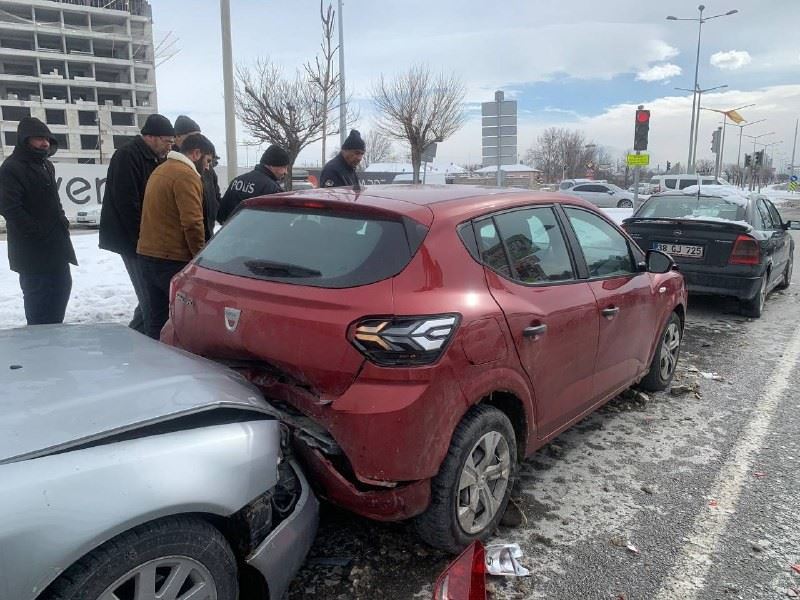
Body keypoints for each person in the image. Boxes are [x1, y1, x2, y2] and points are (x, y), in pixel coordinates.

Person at [99, 113, 174, 333]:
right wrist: (143, 242)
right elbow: (127, 204)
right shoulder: (127, 156)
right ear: (151, 137)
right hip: (133, 241)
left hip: (148, 240)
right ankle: (150, 347)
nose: (170, 147)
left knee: (149, 298)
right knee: (151, 301)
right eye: (167, 141)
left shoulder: (155, 158)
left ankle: (133, 337)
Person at [137, 133, 215, 339]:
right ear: (196, 153)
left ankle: (155, 362)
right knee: (181, 319)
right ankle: (175, 364)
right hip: (171, 258)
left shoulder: (161, 169)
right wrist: (199, 258)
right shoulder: (185, 175)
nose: (207, 167)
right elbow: (192, 223)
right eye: (208, 161)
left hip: (148, 255)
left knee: (157, 317)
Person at [0, 117, 77, 325]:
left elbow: (54, 200)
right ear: (25, 140)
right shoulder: (11, 168)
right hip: (32, 251)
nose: (44, 143)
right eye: (38, 138)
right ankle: (40, 351)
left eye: (47, 139)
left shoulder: (46, 165)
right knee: (39, 304)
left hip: (57, 248)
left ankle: (54, 344)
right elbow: (10, 208)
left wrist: (62, 221)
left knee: (61, 290)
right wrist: (38, 232)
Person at [173, 115, 221, 240]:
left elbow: (215, 194)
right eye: (193, 136)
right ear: (177, 137)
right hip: (186, 239)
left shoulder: (206, 165)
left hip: (206, 230)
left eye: (199, 135)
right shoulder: (173, 167)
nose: (198, 140)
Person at [217, 144, 289, 223]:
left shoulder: (237, 181)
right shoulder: (272, 189)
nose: (286, 172)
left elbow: (221, 215)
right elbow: (279, 222)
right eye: (284, 167)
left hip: (231, 233)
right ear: (271, 165)